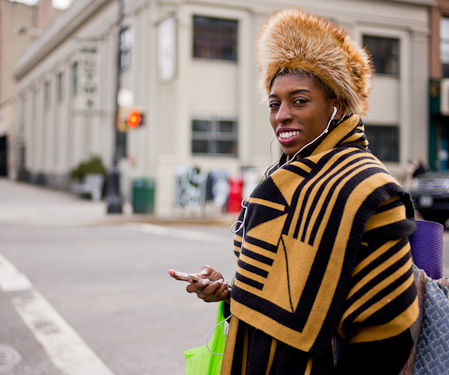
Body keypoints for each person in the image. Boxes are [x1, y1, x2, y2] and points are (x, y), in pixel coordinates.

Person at [170, 8, 419, 374]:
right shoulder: (279, 178)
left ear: (335, 105)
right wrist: (227, 292)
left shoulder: (367, 187)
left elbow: (387, 335)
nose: (282, 115)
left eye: (299, 101)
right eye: (275, 103)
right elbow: (284, 286)